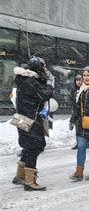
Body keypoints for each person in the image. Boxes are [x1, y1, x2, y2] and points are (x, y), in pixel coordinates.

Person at [12, 57, 54, 191]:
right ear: (38, 68)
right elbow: (45, 94)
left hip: (21, 117)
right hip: (31, 119)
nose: (45, 69)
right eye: (44, 67)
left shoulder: (24, 80)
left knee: (28, 147)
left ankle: (20, 175)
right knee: (35, 147)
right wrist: (49, 84)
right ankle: (30, 182)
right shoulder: (31, 82)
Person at [70, 75, 82, 150]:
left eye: (80, 80)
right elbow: (71, 99)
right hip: (76, 111)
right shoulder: (73, 90)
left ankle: (88, 143)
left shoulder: (84, 89)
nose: (79, 82)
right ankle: (78, 143)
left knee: (86, 127)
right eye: (77, 80)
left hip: (84, 111)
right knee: (77, 128)